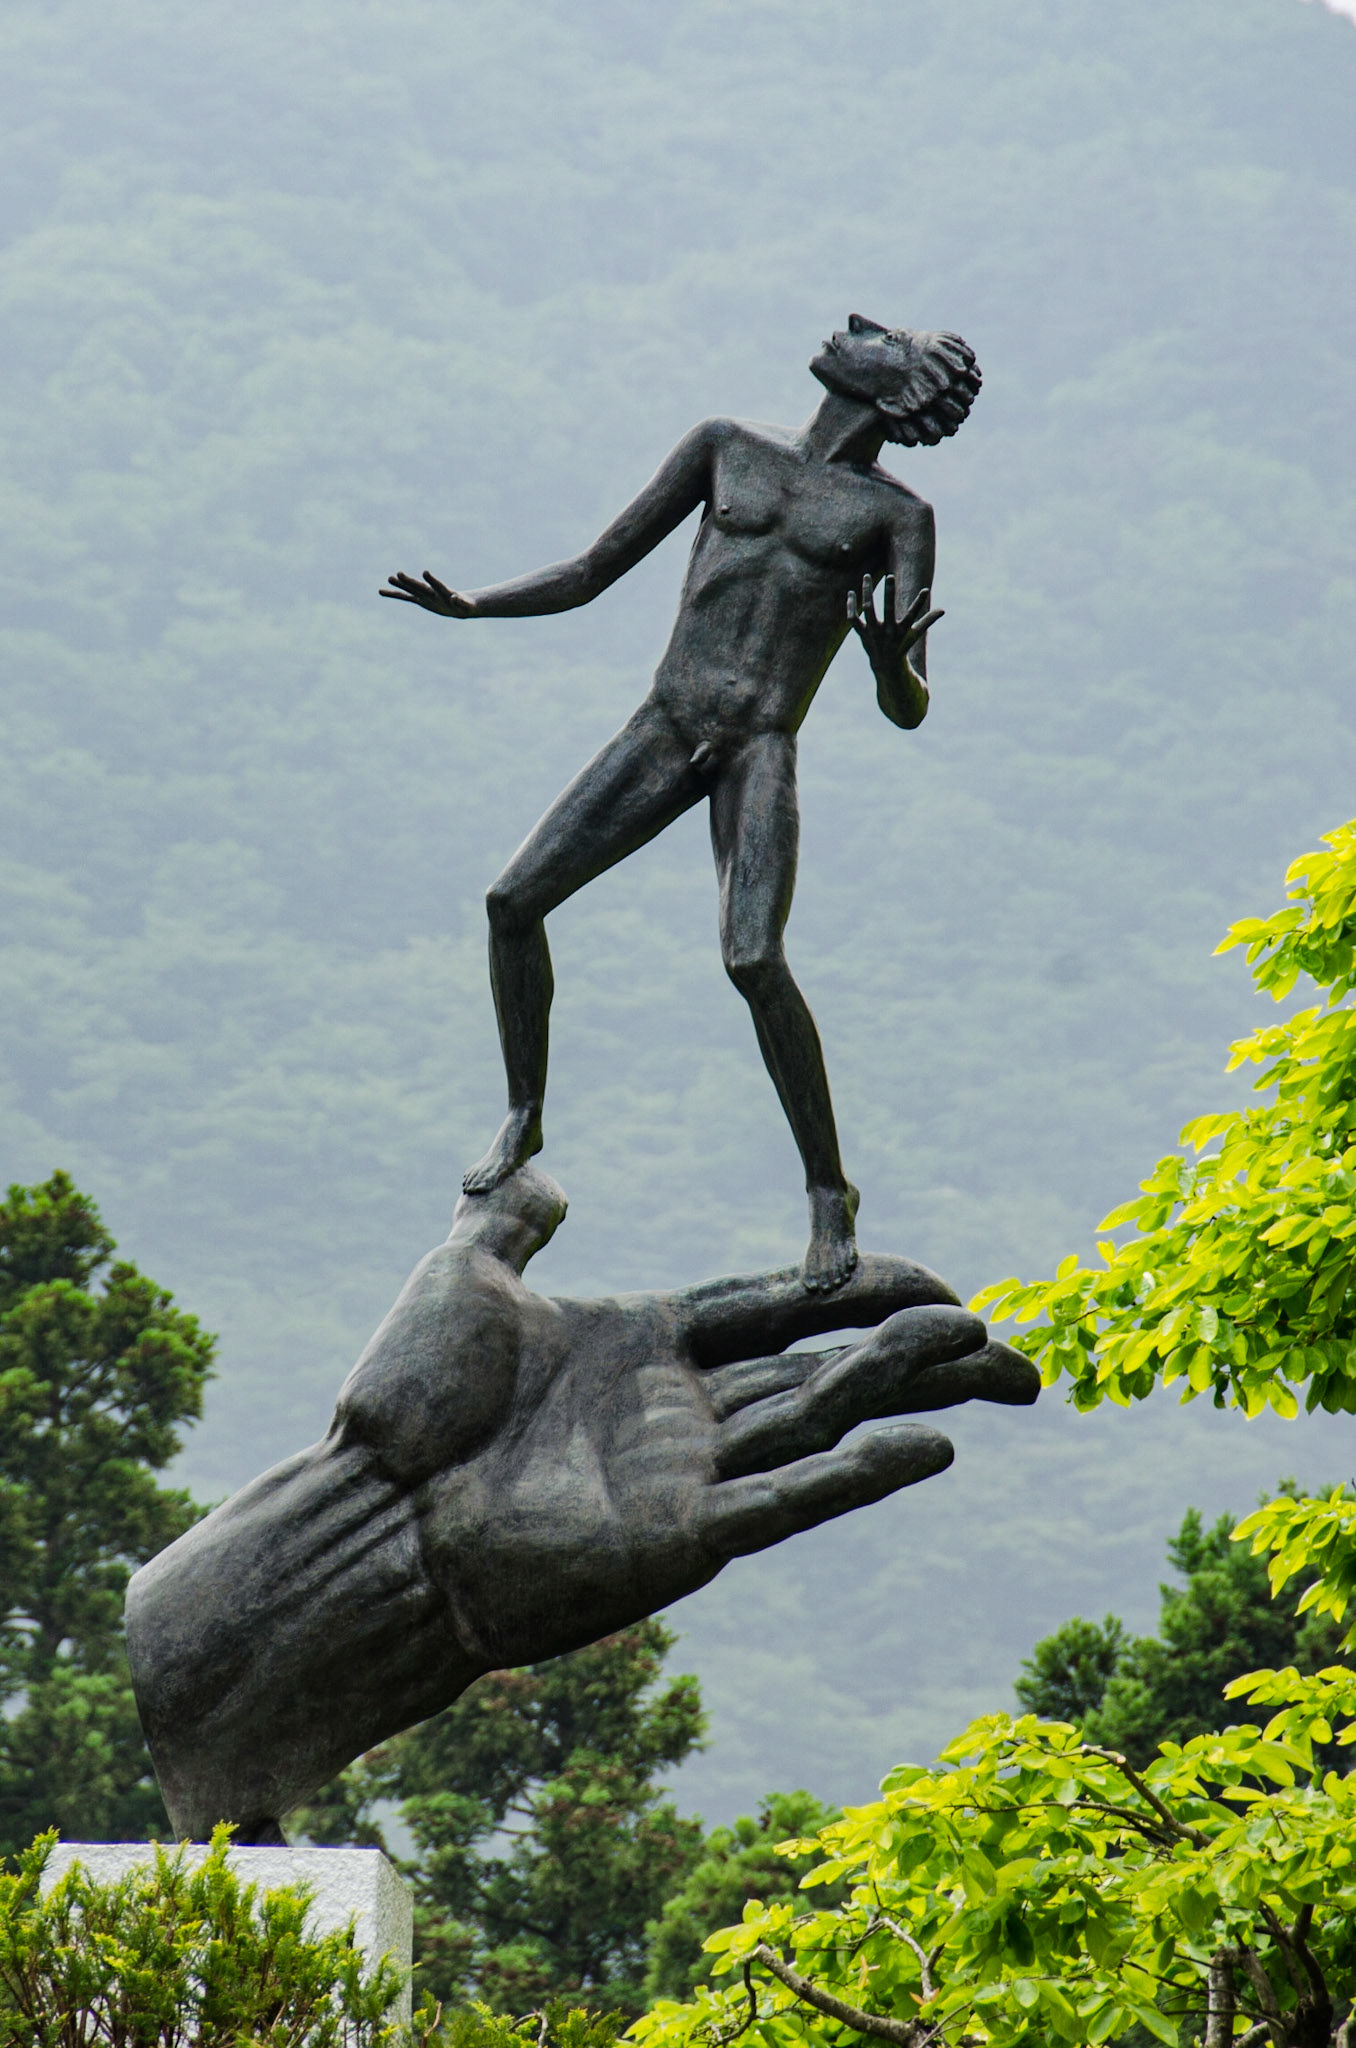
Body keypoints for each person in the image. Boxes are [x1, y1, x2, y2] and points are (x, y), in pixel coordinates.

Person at [126, 1164, 1032, 1845]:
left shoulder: (468, 1310)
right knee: (809, 1424)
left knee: (813, 1426)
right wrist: (397, 1488)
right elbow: (404, 1446)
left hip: (309, 1667)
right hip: (400, 1599)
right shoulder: (450, 1386)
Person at [382, 316, 981, 1292]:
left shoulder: (894, 520)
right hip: (665, 724)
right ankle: (524, 1111)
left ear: (900, 389)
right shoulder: (724, 448)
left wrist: (887, 665)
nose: (854, 329)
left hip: (759, 749)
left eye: (882, 337)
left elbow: (909, 703)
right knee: (511, 902)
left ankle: (830, 1194)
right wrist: (474, 606)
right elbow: (591, 571)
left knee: (753, 957)